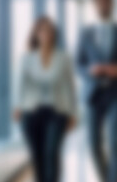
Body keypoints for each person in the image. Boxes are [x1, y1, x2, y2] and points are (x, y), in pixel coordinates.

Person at [76, 0, 117, 182]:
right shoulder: (85, 32)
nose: (103, 5)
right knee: (93, 144)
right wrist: (89, 71)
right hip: (92, 94)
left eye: (106, 1)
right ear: (94, 5)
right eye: (99, 2)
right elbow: (78, 63)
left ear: (112, 3)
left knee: (115, 143)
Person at [13, 16, 77, 182]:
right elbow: (19, 85)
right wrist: (17, 107)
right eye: (42, 30)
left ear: (54, 34)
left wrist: (73, 113)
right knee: (37, 156)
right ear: (36, 34)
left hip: (57, 111)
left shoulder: (64, 58)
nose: (46, 34)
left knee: (51, 152)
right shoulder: (27, 58)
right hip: (31, 112)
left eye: (49, 31)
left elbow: (69, 87)